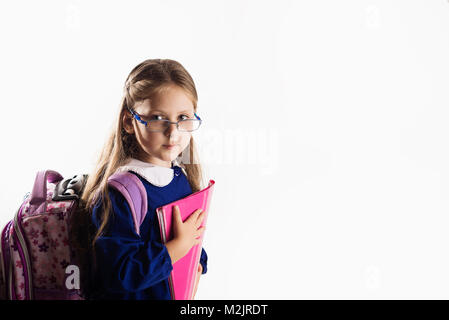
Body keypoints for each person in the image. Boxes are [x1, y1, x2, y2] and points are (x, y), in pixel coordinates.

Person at [80, 59, 209, 300]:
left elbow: (193, 240)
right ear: (130, 122)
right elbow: (118, 274)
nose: (173, 133)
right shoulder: (121, 193)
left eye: (183, 117)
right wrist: (176, 249)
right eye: (158, 118)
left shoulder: (180, 178)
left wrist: (197, 264)